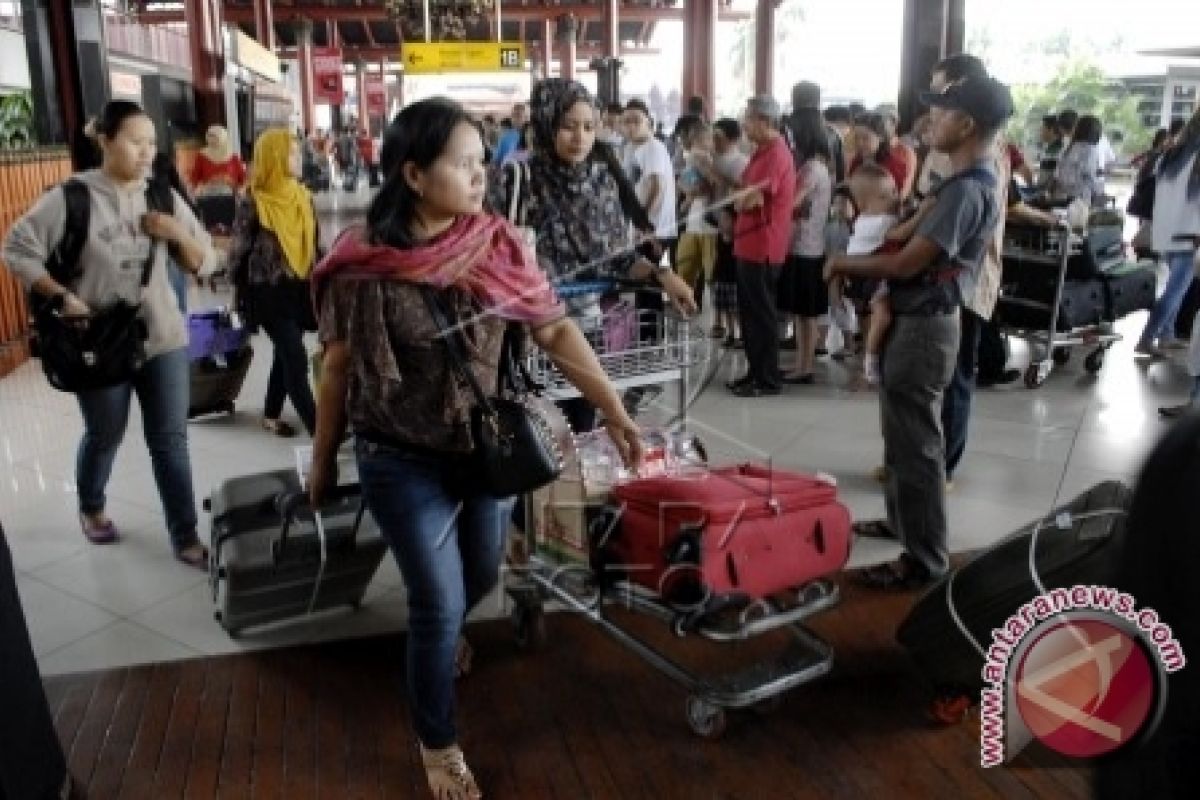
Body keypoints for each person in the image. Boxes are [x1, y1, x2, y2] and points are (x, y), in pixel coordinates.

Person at [308, 97, 644, 800]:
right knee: (436, 602)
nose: (479, 175)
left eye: (480, 162)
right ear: (413, 174)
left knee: (480, 580)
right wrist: (321, 459)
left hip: (483, 449)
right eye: (461, 164)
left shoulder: (498, 246)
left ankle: (444, 640)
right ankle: (438, 743)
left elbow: (554, 331)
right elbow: (338, 366)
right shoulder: (360, 263)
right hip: (396, 454)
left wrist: (613, 409)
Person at [1, 100, 215, 568]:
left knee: (170, 440)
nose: (146, 152)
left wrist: (175, 232)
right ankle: (91, 504)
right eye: (135, 142)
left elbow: (207, 260)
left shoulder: (163, 196)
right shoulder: (71, 198)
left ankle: (184, 535)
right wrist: (59, 296)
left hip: (161, 335)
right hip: (98, 341)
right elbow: (17, 247)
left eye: (152, 143)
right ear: (105, 141)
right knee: (105, 432)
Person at [824, 73, 1012, 589]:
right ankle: (901, 523)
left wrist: (842, 262)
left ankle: (924, 559)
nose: (930, 120)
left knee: (919, 445)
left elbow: (907, 264)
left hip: (926, 327)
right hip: (913, 322)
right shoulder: (955, 185)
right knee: (901, 438)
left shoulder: (967, 191)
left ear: (967, 123)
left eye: (942, 112)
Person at [487, 79, 696, 432]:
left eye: (588, 126)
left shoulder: (602, 182)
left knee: (579, 434)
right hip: (524, 338)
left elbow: (617, 256)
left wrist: (664, 275)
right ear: (545, 123)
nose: (580, 137)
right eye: (568, 126)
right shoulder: (514, 179)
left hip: (584, 335)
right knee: (527, 440)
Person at [227, 129, 320, 438]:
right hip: (266, 292)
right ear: (276, 159)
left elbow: (315, 244)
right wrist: (233, 292)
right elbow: (238, 250)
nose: (299, 158)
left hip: (299, 289)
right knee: (295, 356)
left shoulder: (303, 196)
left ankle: (270, 414)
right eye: (291, 154)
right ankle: (319, 427)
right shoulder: (253, 200)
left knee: (285, 354)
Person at [727, 95, 797, 398]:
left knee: (761, 315)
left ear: (764, 121)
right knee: (750, 314)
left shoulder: (776, 154)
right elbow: (742, 190)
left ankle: (767, 378)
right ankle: (755, 372)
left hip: (763, 246)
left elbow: (751, 198)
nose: (744, 125)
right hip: (749, 244)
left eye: (748, 119)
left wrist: (739, 200)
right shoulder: (762, 152)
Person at [1136, 110, 1200, 360]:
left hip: (1168, 228)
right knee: (1177, 288)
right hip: (1188, 230)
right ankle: (1147, 338)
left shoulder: (1173, 150)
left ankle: (1168, 334)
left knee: (1177, 285)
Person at [779, 100, 834, 385]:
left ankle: (806, 365)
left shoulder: (812, 168)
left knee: (806, 312)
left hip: (807, 247)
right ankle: (802, 364)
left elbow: (791, 203)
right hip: (805, 245)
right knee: (802, 312)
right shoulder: (815, 166)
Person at [692, 117, 750, 346]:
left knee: (730, 278)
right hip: (714, 223)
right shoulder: (710, 158)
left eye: (719, 137)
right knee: (719, 278)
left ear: (733, 139)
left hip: (734, 225)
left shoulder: (741, 162)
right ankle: (725, 326)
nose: (714, 141)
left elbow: (740, 188)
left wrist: (714, 172)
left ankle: (738, 331)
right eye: (712, 136)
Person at [622, 99, 679, 253]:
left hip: (654, 229)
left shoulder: (654, 147)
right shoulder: (629, 148)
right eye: (626, 122)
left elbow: (658, 187)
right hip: (638, 228)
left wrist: (644, 224)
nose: (631, 126)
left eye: (636, 121)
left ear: (648, 122)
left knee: (655, 274)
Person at [676, 121, 719, 314]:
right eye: (698, 142)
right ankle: (687, 303)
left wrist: (706, 169)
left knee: (711, 273)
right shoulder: (688, 164)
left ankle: (716, 315)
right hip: (692, 223)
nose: (702, 146)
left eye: (706, 141)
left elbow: (714, 185)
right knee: (685, 265)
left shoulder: (715, 163)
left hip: (710, 226)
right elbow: (686, 190)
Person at [150, 151, 200, 313]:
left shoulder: (151, 195)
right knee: (178, 308)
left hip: (156, 264)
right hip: (174, 258)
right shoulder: (175, 195)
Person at [189, 124, 247, 233]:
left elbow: (243, 179)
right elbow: (194, 178)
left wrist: (236, 186)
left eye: (215, 136)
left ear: (222, 137)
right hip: (209, 199)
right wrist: (199, 188)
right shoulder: (202, 156)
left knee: (230, 229)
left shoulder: (233, 157)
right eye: (210, 136)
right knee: (212, 229)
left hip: (230, 198)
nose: (212, 139)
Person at [849, 112, 914, 200]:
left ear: (881, 137)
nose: (860, 143)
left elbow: (897, 199)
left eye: (865, 138)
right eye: (856, 138)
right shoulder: (856, 162)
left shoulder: (895, 165)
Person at [789, 81, 845, 183]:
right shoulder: (833, 133)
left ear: (793, 100)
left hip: (792, 191)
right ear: (818, 102)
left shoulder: (783, 128)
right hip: (825, 193)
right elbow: (840, 174)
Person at [1054, 114, 1105, 206]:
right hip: (1082, 196)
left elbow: (1059, 172)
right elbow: (1089, 174)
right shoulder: (1090, 149)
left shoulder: (1070, 147)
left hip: (1066, 194)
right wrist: (1099, 189)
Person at [875, 103, 920, 198]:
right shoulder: (871, 149)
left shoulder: (905, 153)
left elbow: (902, 193)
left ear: (894, 123)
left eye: (881, 122)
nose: (877, 127)